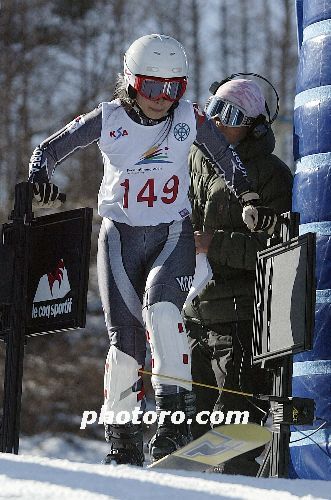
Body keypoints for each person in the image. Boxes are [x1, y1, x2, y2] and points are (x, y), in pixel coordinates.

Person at [28, 34, 276, 467]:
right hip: (120, 238)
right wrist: (41, 179)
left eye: (174, 87)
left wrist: (249, 198)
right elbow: (47, 151)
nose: (163, 98)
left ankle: (173, 419)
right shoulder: (106, 119)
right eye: (152, 87)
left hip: (172, 234)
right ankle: (122, 436)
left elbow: (228, 159)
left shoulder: (188, 117)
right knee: (125, 341)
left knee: (163, 314)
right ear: (130, 81)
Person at [184, 77, 293, 475]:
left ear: (256, 126)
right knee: (191, 441)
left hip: (242, 322)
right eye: (213, 108)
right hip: (194, 317)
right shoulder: (195, 158)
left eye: (230, 115)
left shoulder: (271, 176)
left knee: (231, 445)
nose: (216, 120)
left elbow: (277, 252)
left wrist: (213, 244)